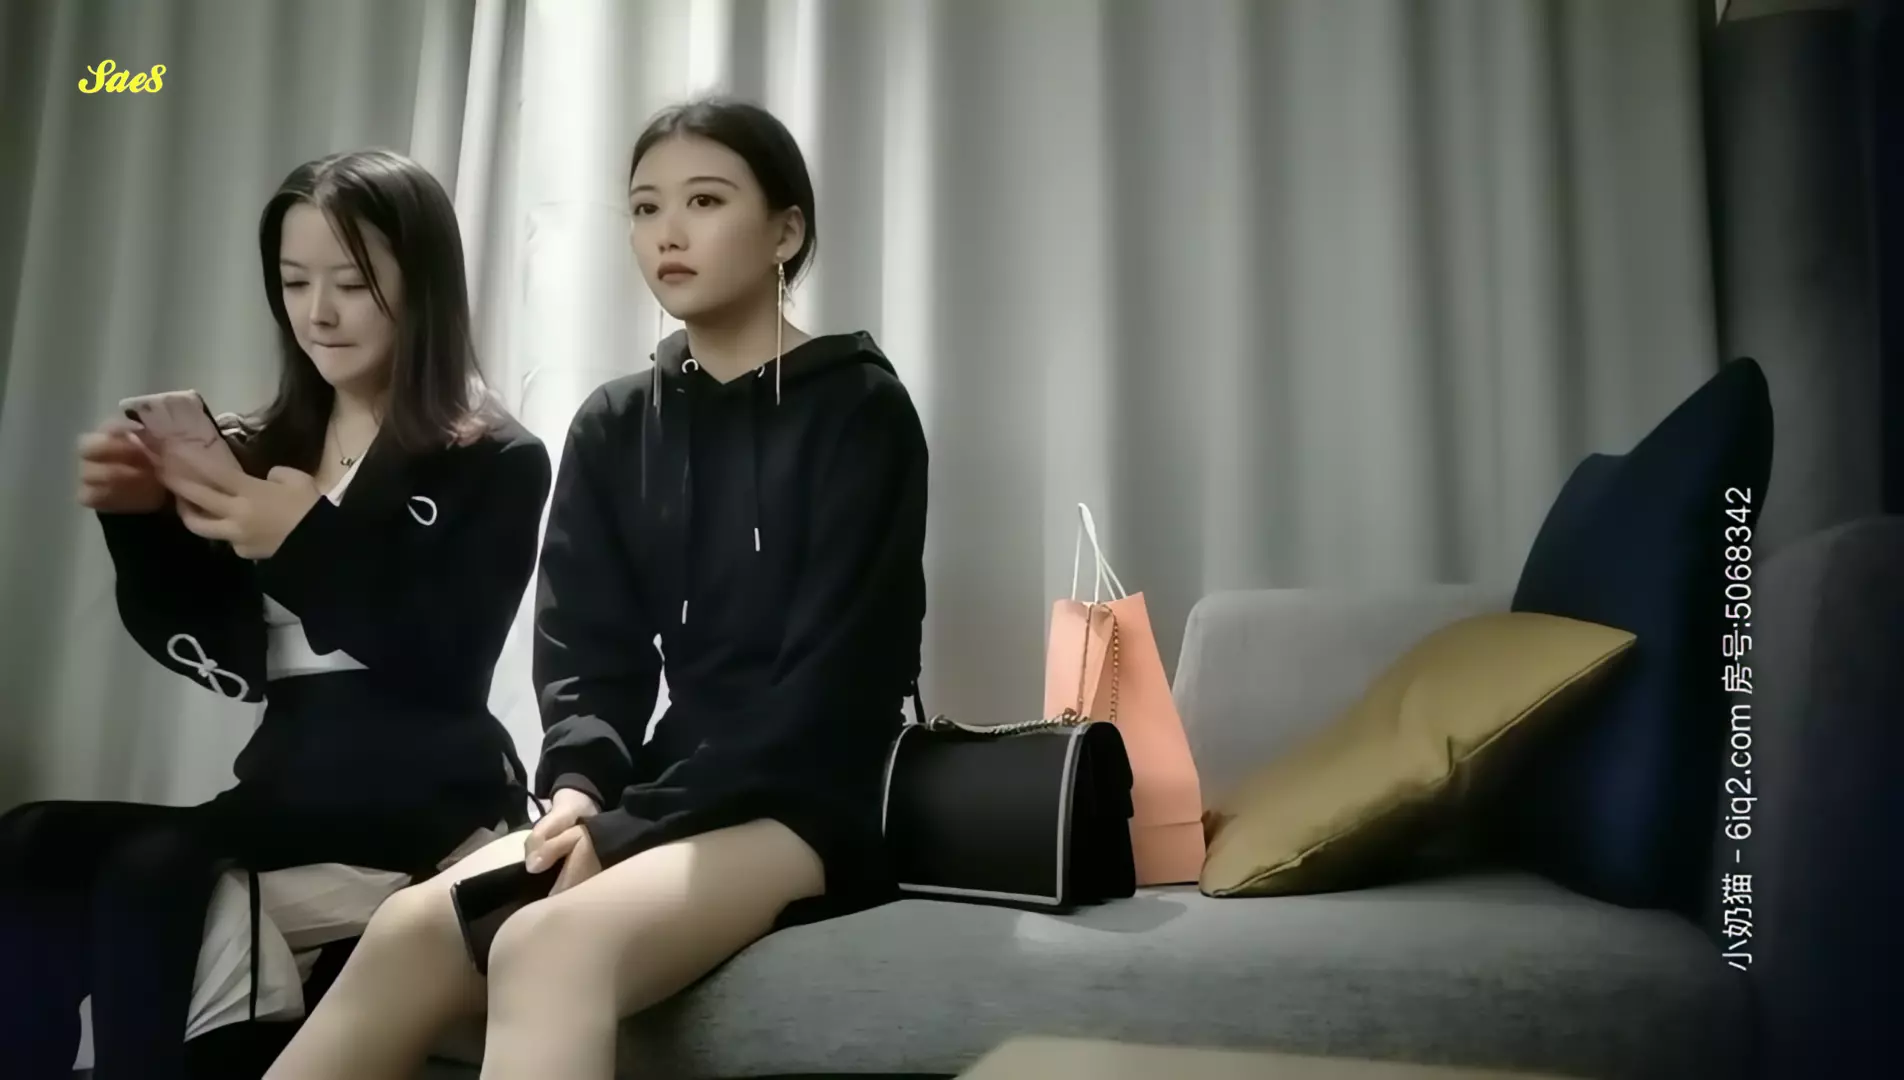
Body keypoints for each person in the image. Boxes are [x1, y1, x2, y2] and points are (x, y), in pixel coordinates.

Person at [265, 96, 929, 1079]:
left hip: (809, 797)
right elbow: (587, 650)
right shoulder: (617, 424)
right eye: (645, 207)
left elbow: (837, 682)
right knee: (407, 926)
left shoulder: (860, 409)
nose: (667, 232)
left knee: (547, 945)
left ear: (785, 232)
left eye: (705, 201)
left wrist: (629, 832)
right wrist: (578, 790)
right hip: (666, 783)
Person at [0, 148, 552, 1080]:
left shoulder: (494, 457)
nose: (318, 312)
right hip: (285, 789)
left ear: (423, 285)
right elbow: (230, 662)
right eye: (295, 282)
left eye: (353, 283)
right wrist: (139, 526)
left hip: (424, 802)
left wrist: (300, 540)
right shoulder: (259, 446)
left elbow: (444, 658)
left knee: (154, 871)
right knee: (29, 843)